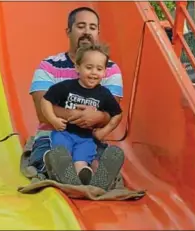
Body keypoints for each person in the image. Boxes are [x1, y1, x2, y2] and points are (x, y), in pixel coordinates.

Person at [28, 7, 125, 190]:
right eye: (81, 26)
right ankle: (59, 170)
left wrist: (98, 118)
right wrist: (78, 115)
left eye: (92, 27)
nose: (87, 32)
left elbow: (110, 113)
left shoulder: (110, 69)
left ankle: (91, 176)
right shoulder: (48, 66)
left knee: (97, 157)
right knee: (47, 156)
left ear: (98, 32)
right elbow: (42, 111)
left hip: (89, 137)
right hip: (53, 133)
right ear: (68, 31)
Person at [40, 43, 123, 186]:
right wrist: (53, 119)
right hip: (64, 132)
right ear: (77, 67)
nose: (93, 73)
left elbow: (117, 114)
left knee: (81, 161)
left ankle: (82, 178)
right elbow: (45, 100)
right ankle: (60, 169)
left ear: (104, 72)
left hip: (86, 138)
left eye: (99, 69)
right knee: (62, 153)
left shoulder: (104, 94)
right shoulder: (66, 86)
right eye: (89, 68)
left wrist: (104, 132)